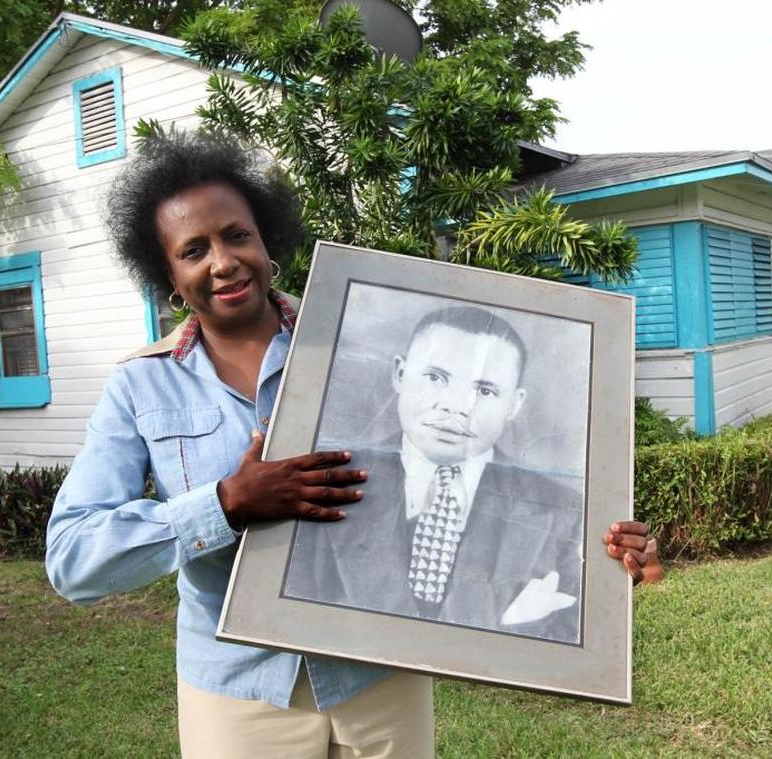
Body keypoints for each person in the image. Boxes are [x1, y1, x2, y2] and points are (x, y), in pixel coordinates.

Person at [44, 131, 662, 759]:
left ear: (266, 241)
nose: (223, 262)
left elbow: (465, 489)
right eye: (193, 250)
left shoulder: (351, 343)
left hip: (379, 676)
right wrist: (225, 504)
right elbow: (72, 561)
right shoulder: (139, 386)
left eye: (237, 235)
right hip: (239, 692)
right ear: (170, 276)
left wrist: (596, 564)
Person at [284, 305, 585, 643]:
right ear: (400, 373)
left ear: (514, 404)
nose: (455, 406)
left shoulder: (562, 511)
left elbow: (578, 631)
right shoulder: (325, 481)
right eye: (435, 377)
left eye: (484, 391)